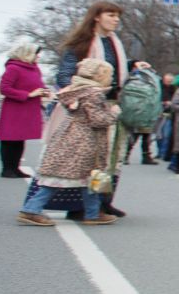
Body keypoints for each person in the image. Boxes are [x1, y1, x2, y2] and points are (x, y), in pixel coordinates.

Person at [16, 59, 119, 227]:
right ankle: (31, 210)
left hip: (70, 137)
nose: (111, 78)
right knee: (71, 177)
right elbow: (96, 119)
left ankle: (92, 213)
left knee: (87, 178)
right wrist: (114, 113)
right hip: (85, 141)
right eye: (110, 74)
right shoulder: (94, 94)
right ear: (99, 75)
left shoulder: (78, 91)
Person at [55, 0, 130, 217]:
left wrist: (134, 65)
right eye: (111, 15)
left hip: (112, 105)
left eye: (118, 16)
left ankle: (103, 200)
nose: (116, 19)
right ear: (97, 16)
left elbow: (115, 73)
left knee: (112, 158)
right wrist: (80, 96)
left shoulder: (116, 44)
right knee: (85, 159)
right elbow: (64, 75)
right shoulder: (82, 43)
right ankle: (79, 206)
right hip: (88, 107)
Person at [0, 40, 47, 178]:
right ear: (26, 53)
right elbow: (4, 88)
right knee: (9, 139)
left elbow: (39, 84)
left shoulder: (35, 68)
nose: (38, 56)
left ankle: (16, 167)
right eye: (36, 54)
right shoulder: (13, 68)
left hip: (28, 108)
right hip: (14, 108)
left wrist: (44, 91)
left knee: (20, 139)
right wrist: (28, 94)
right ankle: (7, 168)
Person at [118, 62, 161, 164]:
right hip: (144, 111)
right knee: (139, 135)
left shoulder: (134, 77)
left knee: (141, 135)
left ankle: (130, 155)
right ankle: (134, 155)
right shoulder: (150, 79)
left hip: (137, 110)